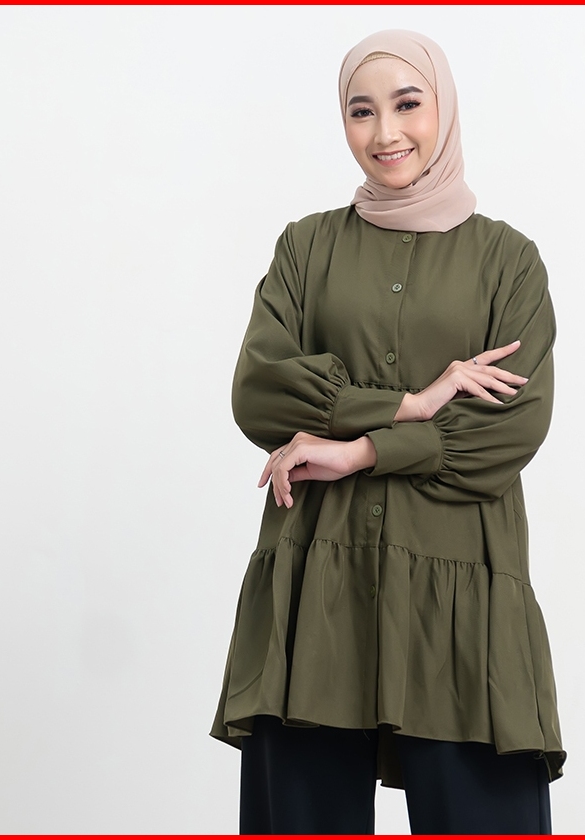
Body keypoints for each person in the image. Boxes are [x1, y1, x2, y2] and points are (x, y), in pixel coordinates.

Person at [210, 29, 566, 835]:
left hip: (461, 597)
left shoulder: (508, 262)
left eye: (408, 104)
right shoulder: (307, 247)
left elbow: (508, 429)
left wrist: (357, 449)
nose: (385, 132)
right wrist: (411, 405)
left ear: (445, 107)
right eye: (361, 111)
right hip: (316, 587)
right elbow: (259, 392)